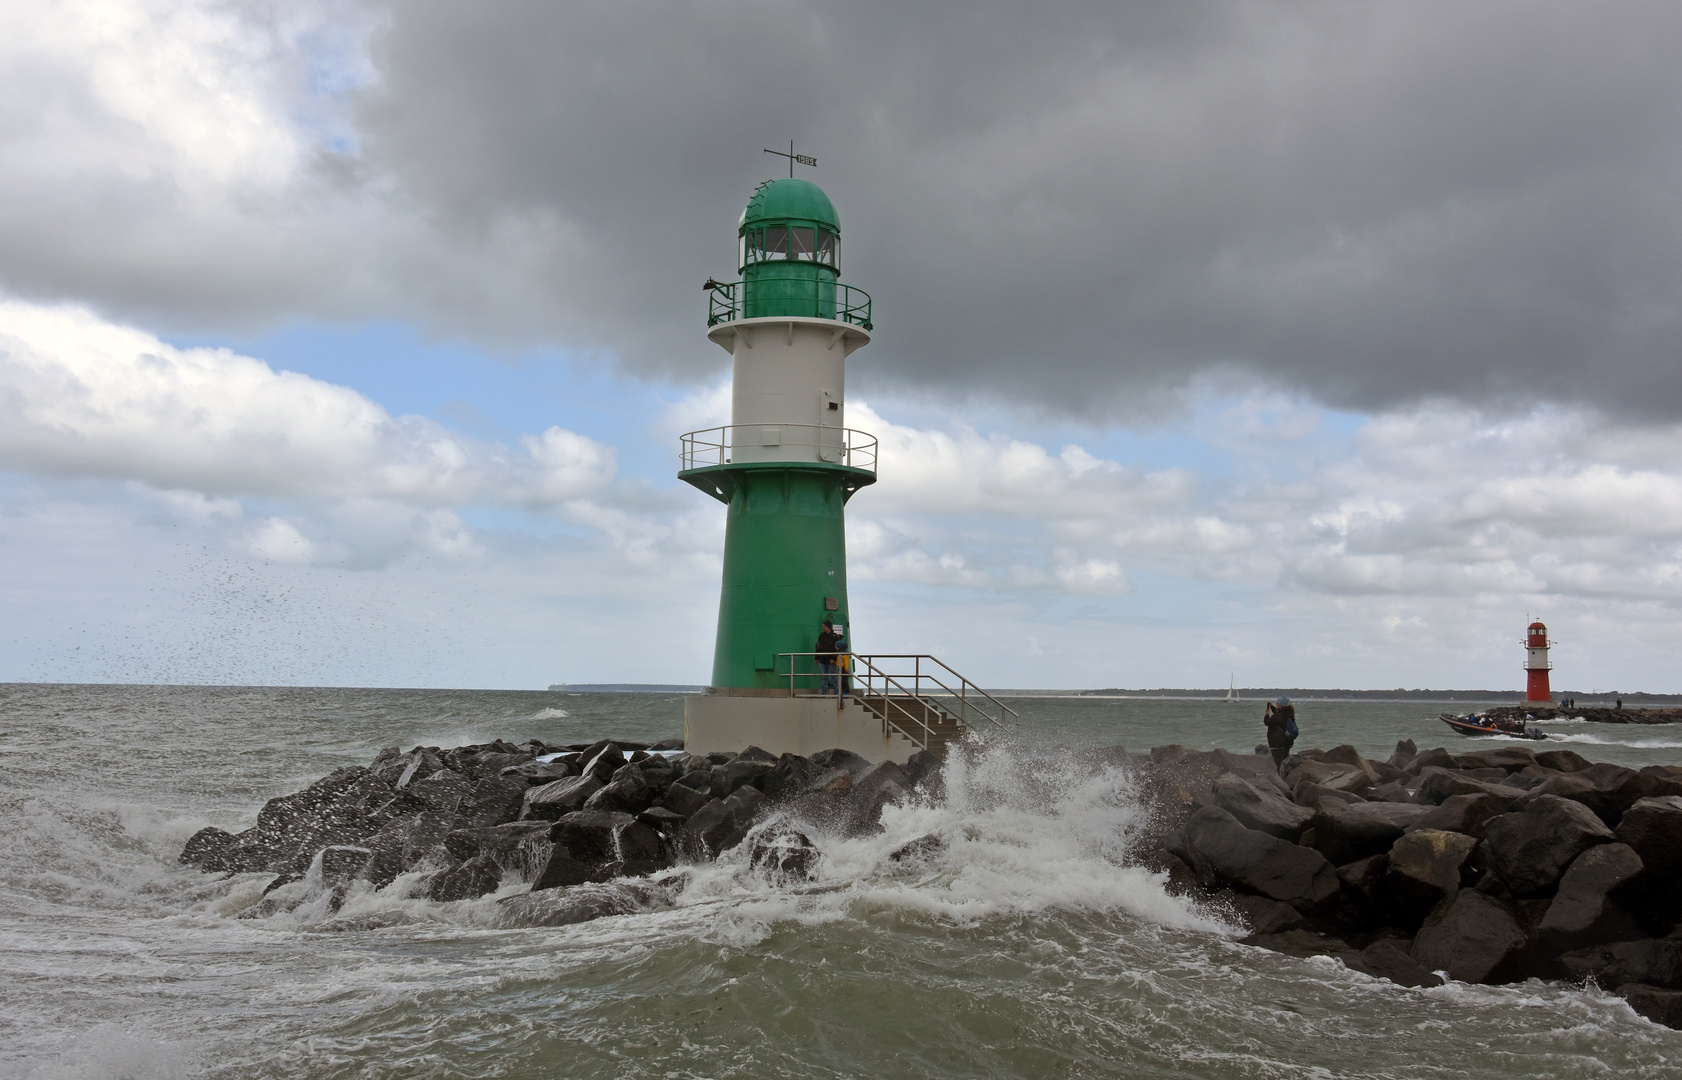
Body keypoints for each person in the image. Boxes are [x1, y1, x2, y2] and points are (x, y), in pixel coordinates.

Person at [1263, 696, 1297, 772]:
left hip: (1277, 743)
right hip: (1287, 742)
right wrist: (1271, 707)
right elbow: (1278, 714)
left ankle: (1279, 780)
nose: (1276, 704)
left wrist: (1267, 714)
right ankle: (1284, 777)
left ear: (1281, 705)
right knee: (1284, 762)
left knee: (1277, 763)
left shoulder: (1278, 715)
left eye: (1277, 703)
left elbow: (1267, 722)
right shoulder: (1290, 713)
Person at [815, 617, 841, 695]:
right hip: (823, 660)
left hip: (831, 660)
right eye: (823, 626)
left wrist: (834, 658)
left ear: (828, 627)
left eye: (824, 626)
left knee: (834, 677)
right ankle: (824, 692)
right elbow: (818, 647)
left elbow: (837, 649)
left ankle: (836, 692)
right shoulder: (821, 636)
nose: (823, 628)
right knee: (824, 677)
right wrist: (816, 658)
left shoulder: (835, 636)